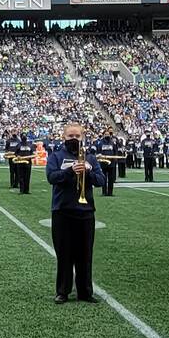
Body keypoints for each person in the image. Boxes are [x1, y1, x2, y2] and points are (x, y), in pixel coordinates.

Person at [44, 122, 106, 303]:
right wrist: (71, 171)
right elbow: (52, 177)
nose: (74, 139)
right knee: (64, 254)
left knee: (85, 254)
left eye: (77, 136)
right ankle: (62, 291)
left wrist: (88, 171)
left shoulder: (91, 158)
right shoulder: (55, 156)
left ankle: (85, 292)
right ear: (64, 137)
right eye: (70, 136)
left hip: (85, 211)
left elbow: (101, 180)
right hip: (62, 211)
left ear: (82, 137)